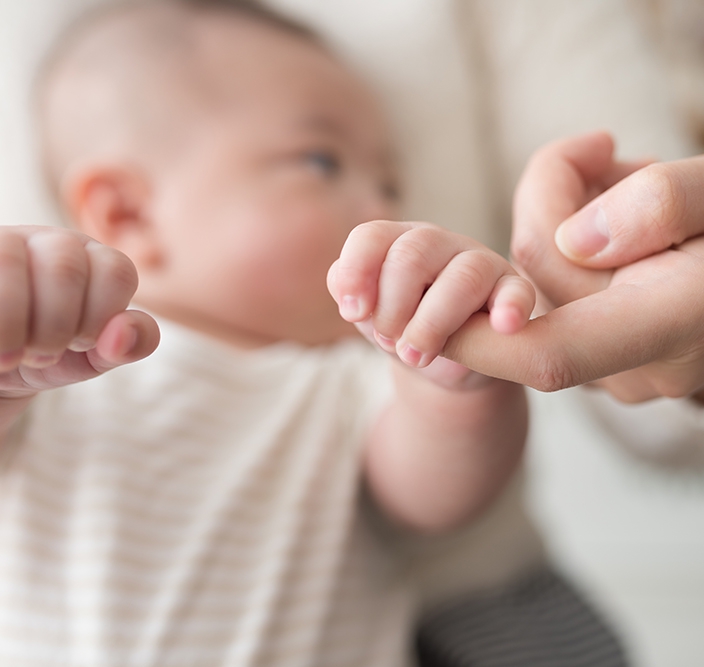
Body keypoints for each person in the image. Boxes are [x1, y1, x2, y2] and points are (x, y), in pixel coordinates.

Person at [0, 1, 541, 663]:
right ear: (130, 212)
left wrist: (452, 377)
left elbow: (438, 499)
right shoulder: (52, 368)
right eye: (321, 161)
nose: (383, 210)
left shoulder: (348, 382)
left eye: (390, 182)